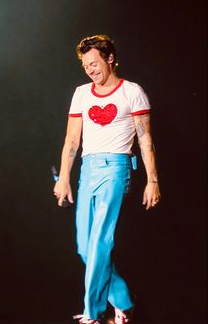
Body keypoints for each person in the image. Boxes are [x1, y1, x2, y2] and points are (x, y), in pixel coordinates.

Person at [54, 35, 161, 324]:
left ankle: (93, 312)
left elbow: (145, 139)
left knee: (101, 241)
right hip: (88, 170)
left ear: (110, 58)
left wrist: (152, 181)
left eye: (94, 62)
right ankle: (124, 302)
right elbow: (72, 140)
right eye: (85, 65)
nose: (90, 69)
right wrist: (64, 178)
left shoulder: (132, 92)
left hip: (116, 167)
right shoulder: (81, 93)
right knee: (84, 247)